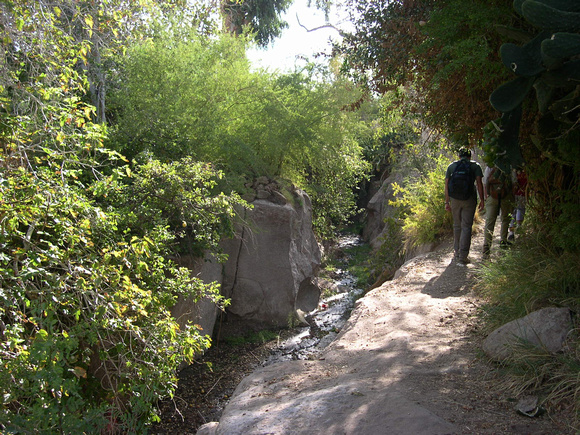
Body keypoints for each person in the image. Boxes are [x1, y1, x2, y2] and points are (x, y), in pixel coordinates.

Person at [445, 148, 485, 265]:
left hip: (454, 200)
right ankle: (463, 256)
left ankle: (456, 250)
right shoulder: (475, 166)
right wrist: (482, 200)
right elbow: (479, 184)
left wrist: (447, 202)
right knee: (466, 226)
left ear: (459, 156)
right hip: (469, 199)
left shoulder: (452, 167)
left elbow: (446, 185)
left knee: (457, 225)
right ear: (469, 156)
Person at [482, 165, 514, 258]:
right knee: (505, 220)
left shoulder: (490, 167)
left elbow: (485, 183)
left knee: (490, 221)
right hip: (506, 196)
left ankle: (486, 247)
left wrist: (486, 196)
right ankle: (503, 242)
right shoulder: (509, 167)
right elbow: (514, 182)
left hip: (492, 197)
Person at [508, 165, 527, 241]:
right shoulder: (525, 172)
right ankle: (518, 229)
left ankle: (512, 233)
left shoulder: (513, 170)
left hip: (514, 194)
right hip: (522, 194)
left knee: (513, 213)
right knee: (520, 210)